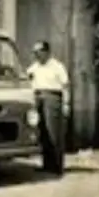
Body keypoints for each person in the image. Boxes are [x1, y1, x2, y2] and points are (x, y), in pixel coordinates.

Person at [26, 41, 70, 176]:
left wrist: (66, 104)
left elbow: (65, 86)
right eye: (35, 52)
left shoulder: (57, 67)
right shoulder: (34, 67)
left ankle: (57, 166)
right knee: (43, 131)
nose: (36, 55)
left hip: (52, 97)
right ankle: (46, 164)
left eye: (39, 52)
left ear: (46, 52)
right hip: (38, 97)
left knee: (54, 132)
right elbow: (27, 78)